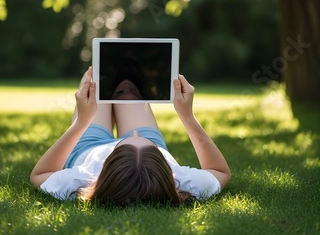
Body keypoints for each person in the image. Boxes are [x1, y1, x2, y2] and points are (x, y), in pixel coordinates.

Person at [30, 67, 231, 205]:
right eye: (150, 145)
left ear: (106, 166)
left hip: (90, 147)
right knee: (128, 90)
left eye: (124, 142)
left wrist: (81, 123)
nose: (133, 132)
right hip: (136, 151)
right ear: (166, 168)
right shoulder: (181, 180)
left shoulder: (83, 179)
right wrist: (187, 116)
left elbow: (39, 175)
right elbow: (220, 172)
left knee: (94, 84)